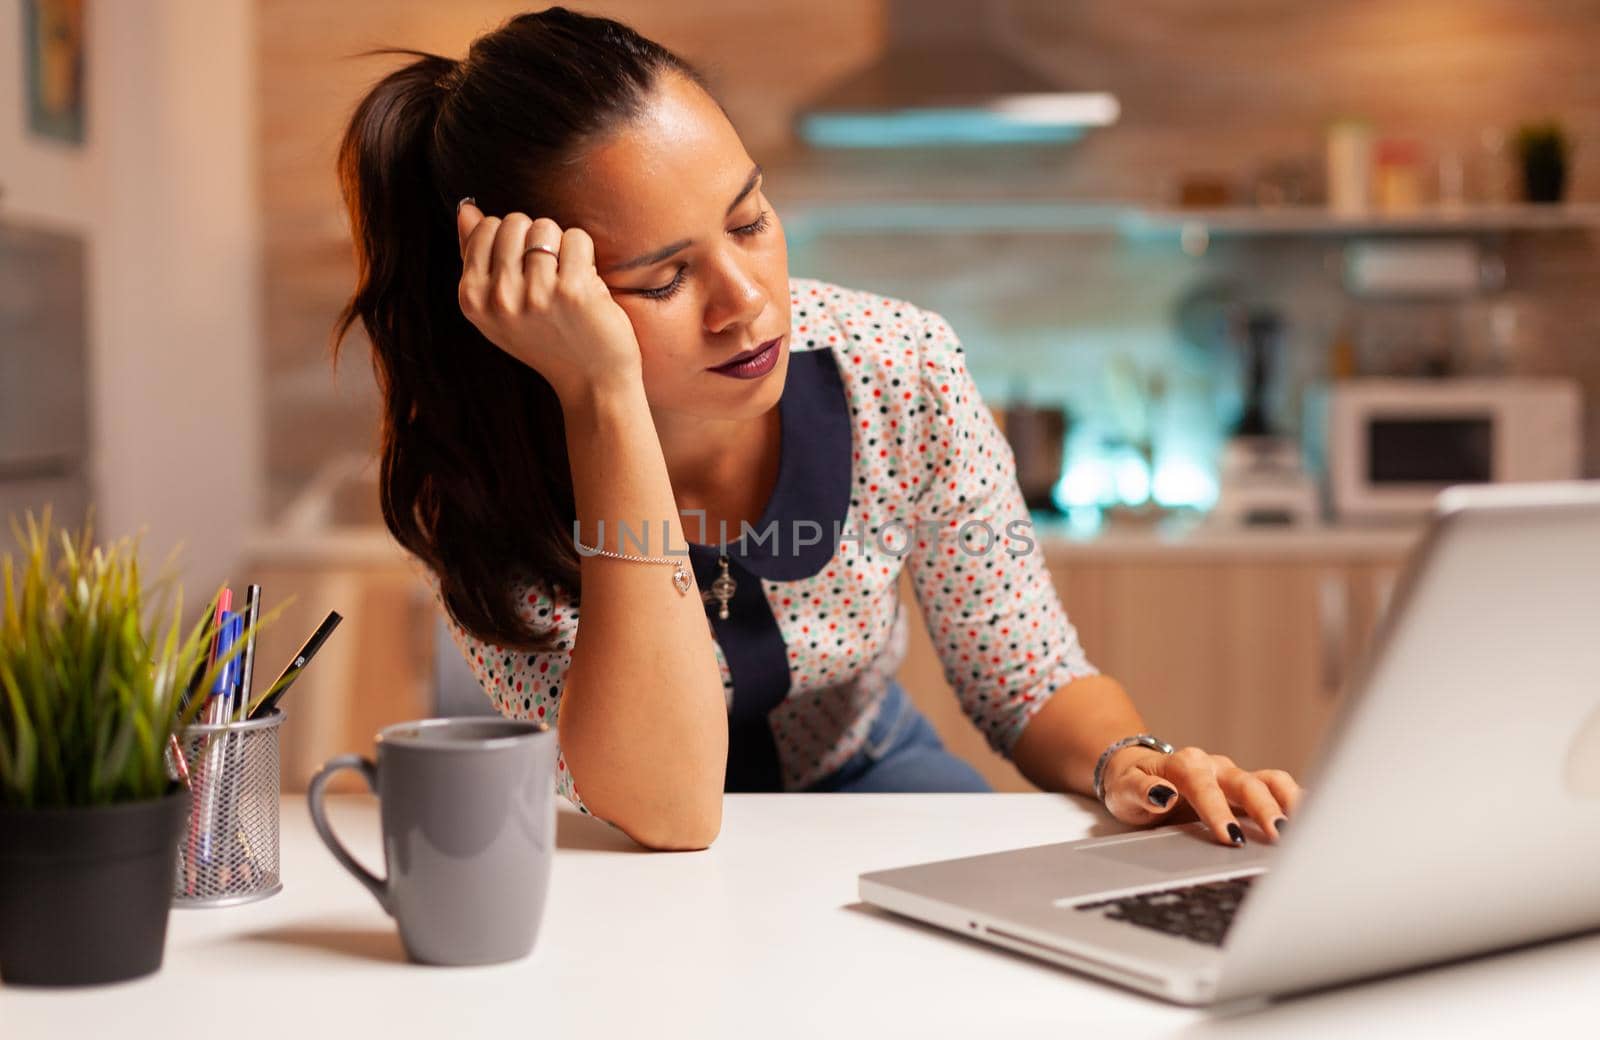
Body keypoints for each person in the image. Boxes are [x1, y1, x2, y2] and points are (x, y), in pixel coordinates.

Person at [331, 6, 1303, 852]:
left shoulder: (901, 367)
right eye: (665, 279)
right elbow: (666, 807)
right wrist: (604, 398)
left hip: (876, 789)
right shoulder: (473, 478)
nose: (747, 301)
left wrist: (1134, 764)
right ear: (542, 298)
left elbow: (1028, 675)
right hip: (619, 853)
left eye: (750, 221)